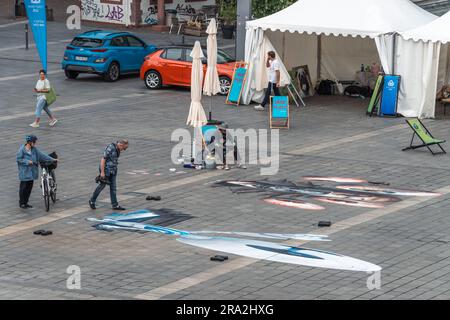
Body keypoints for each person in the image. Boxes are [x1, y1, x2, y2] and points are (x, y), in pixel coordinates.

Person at [16, 135, 58, 209]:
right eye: (34, 142)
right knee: (23, 189)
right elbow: (19, 159)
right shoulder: (22, 150)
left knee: (29, 188)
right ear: (29, 142)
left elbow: (42, 155)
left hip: (31, 173)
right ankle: (22, 203)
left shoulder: (34, 150)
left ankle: (26, 203)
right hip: (25, 173)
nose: (35, 143)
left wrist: (52, 159)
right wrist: (27, 161)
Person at [89, 139, 129, 210]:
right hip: (106, 170)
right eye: (124, 148)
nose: (123, 150)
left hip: (113, 170)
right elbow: (103, 160)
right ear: (120, 145)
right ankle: (92, 201)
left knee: (113, 188)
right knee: (102, 186)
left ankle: (115, 205)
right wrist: (102, 173)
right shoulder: (110, 148)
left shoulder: (118, 149)